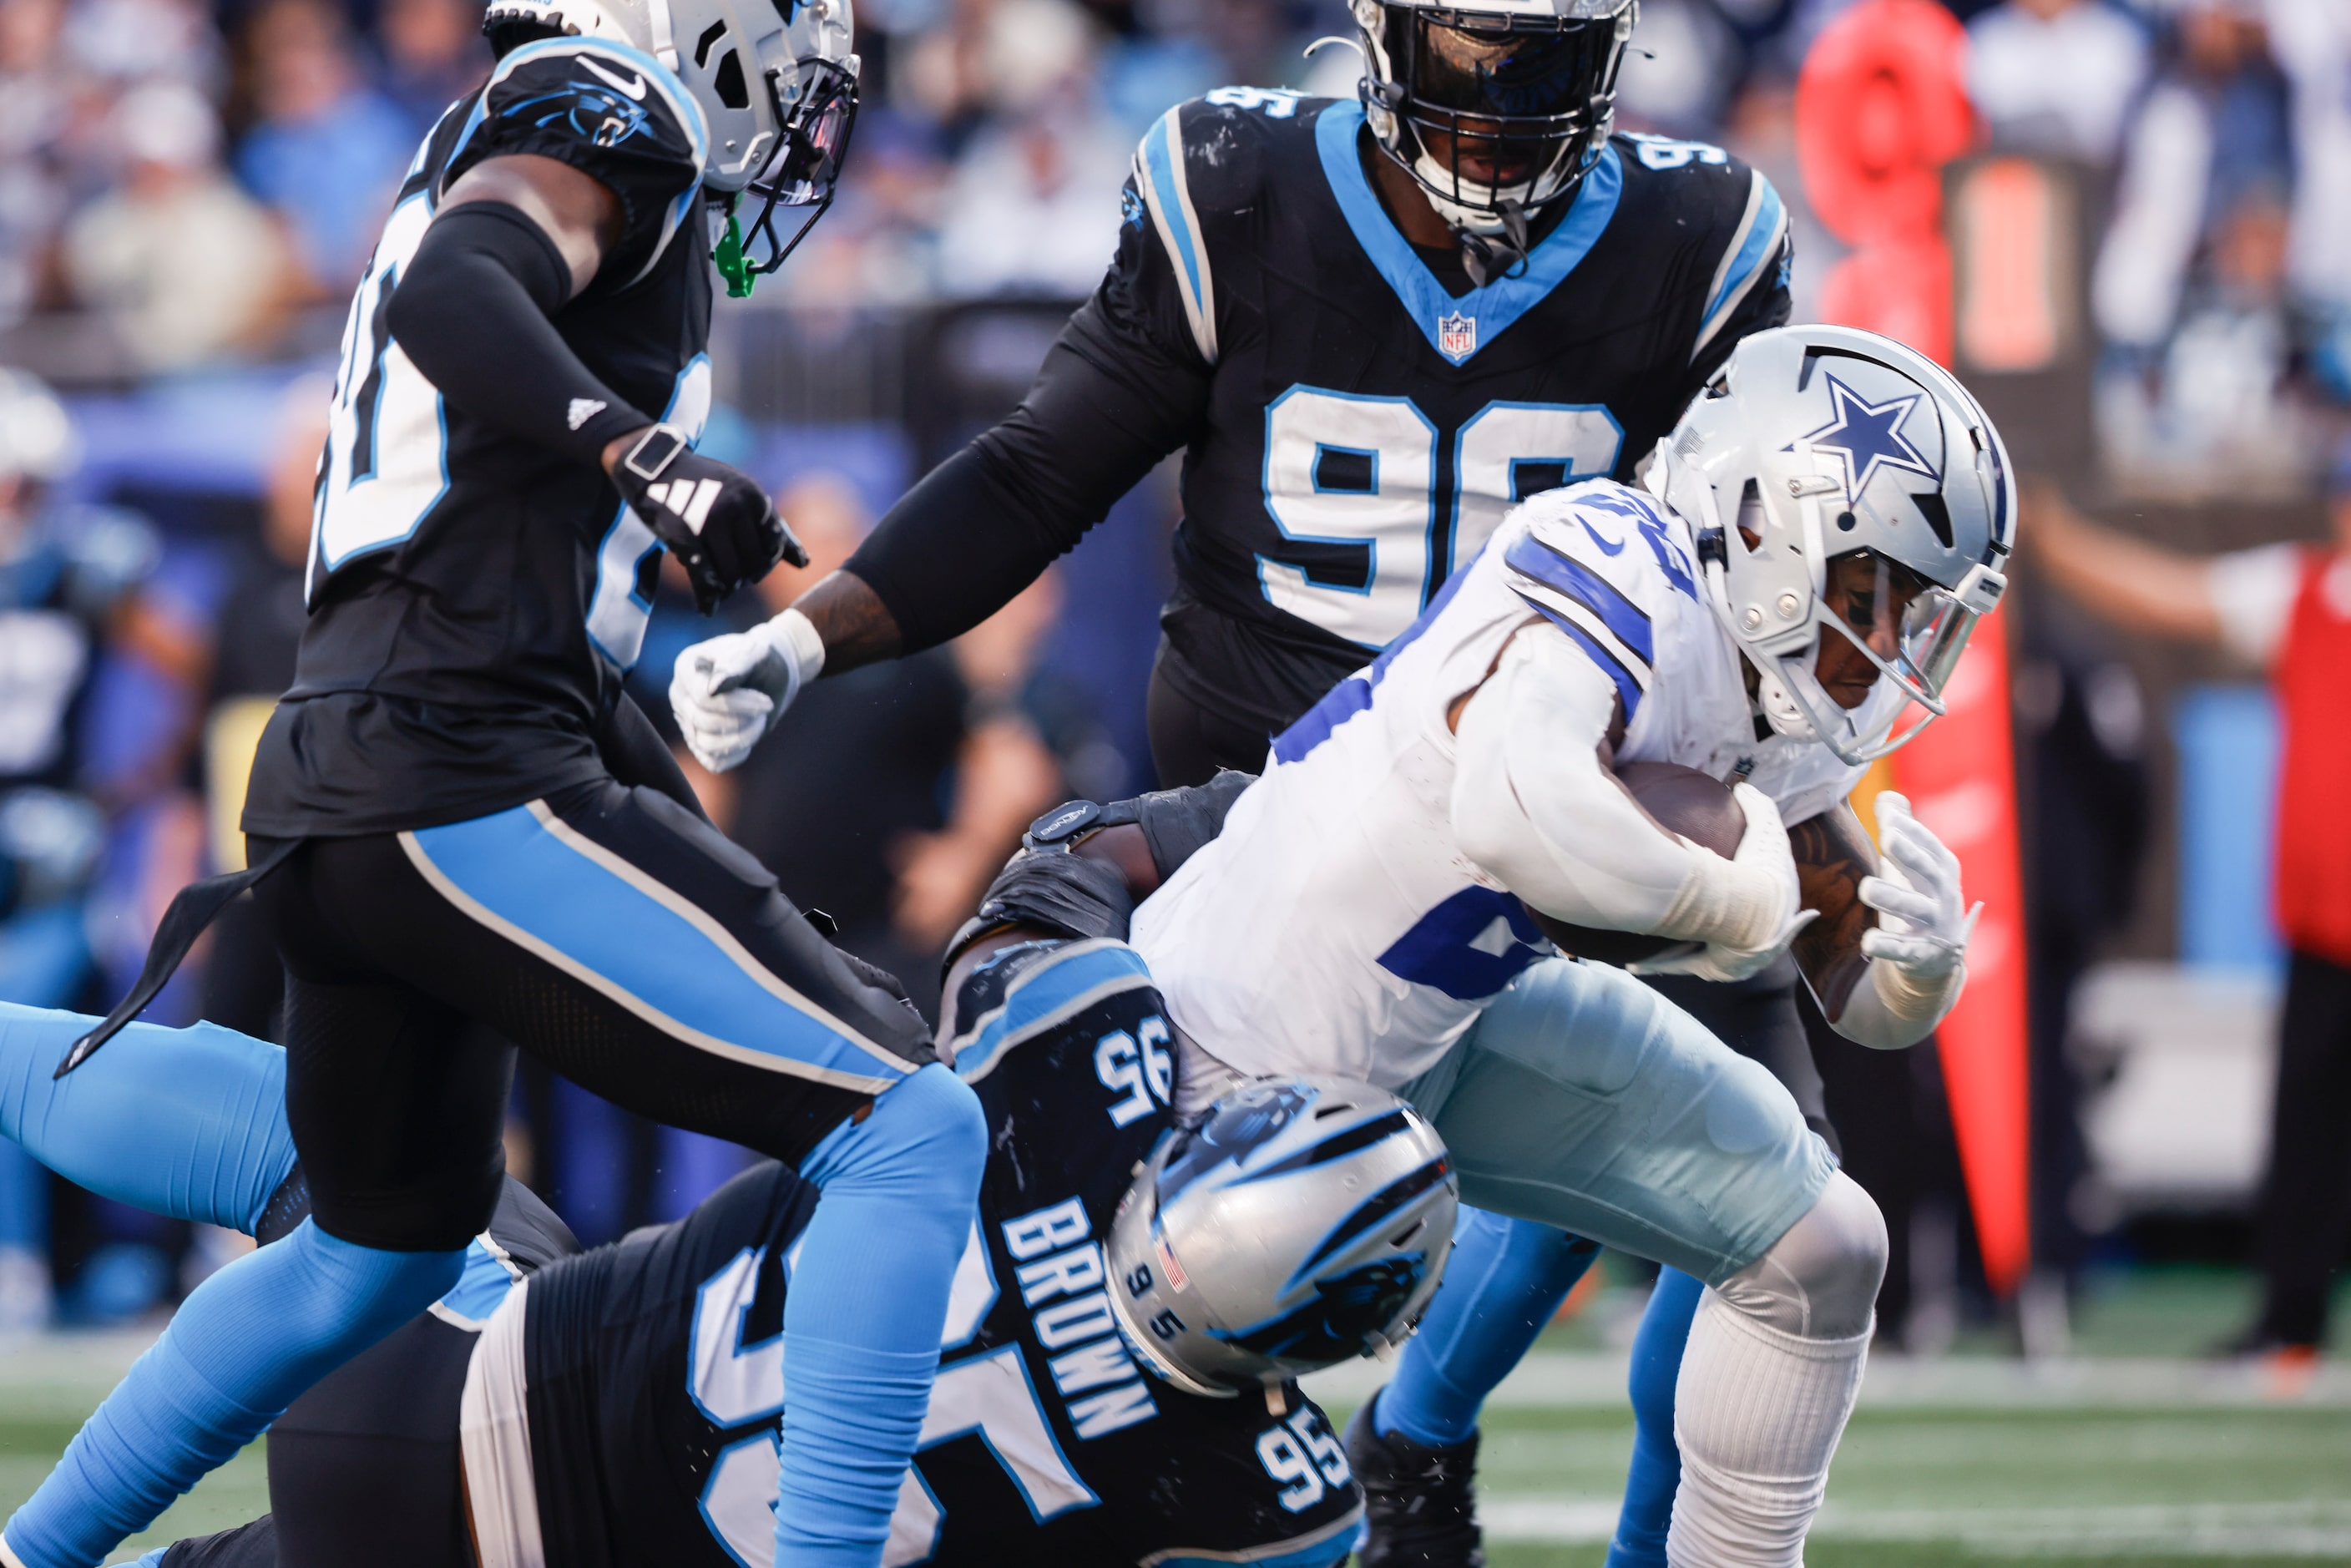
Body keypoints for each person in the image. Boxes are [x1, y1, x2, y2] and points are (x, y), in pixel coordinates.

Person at [0, 7, 988, 1568]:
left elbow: (542, 609)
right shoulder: (604, 105)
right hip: (459, 773)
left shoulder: (522, 136)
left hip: (356, 771)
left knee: (378, 1249)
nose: (800, 103)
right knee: (910, 1126)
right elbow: (464, 278)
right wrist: (638, 447)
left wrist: (695, 835)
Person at [0, 777, 1426, 1568]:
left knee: (330, 1163)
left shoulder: (1072, 1097)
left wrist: (1267, 809)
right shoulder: (1278, 1507)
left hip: (429, 1409)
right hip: (527, 1530)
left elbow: (1065, 861)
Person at [1130, 321, 2013, 1565]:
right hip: (1240, 1051)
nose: (1891, 638)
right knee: (1208, 1486)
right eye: (1875, 586)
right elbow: (1519, 805)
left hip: (1450, 1017)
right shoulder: (1612, 556)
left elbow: (1847, 975)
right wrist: (1738, 904)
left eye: (1919, 606)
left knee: (1821, 1248)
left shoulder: (1782, 674)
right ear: (1760, 523)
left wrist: (1917, 966)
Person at [2026, 458, 2351, 1378]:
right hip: (2324, 920)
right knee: (2303, 1131)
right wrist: (2061, 543)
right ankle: (2287, 1322)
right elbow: (2170, 597)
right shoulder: (2304, 593)